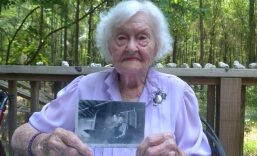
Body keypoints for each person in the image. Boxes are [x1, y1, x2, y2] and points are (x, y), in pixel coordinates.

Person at [11, 0, 211, 155]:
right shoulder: (85, 88)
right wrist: (42, 145)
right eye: (122, 38)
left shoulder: (177, 92)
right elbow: (19, 135)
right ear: (109, 46)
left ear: (156, 46)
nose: (131, 47)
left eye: (142, 37)